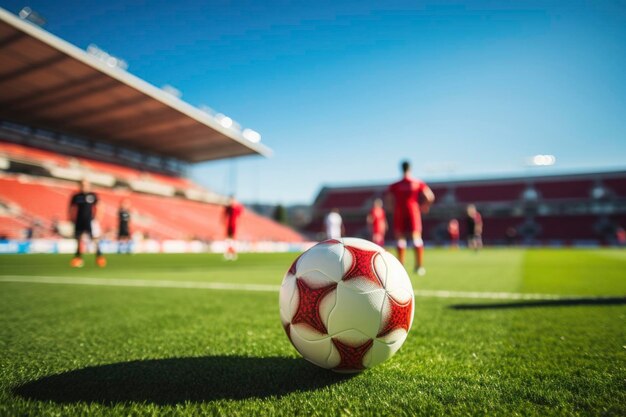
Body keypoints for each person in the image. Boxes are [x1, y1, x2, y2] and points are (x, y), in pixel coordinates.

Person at [387, 160, 435, 275]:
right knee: (416, 238)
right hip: (413, 210)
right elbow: (430, 196)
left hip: (399, 211)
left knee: (400, 238)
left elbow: (388, 200)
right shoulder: (417, 182)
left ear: (401, 168)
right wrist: (425, 207)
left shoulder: (395, 185)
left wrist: (392, 209)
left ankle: (401, 267)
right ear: (410, 168)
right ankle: (419, 267)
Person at [69, 179, 106, 267]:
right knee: (78, 239)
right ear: (80, 185)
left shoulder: (93, 195)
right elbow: (71, 208)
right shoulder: (76, 196)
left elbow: (100, 206)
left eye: (86, 184)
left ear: (89, 185)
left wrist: (98, 218)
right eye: (82, 184)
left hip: (90, 220)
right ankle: (78, 258)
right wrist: (71, 218)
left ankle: (99, 257)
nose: (84, 186)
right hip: (79, 221)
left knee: (94, 239)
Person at [223, 196, 243, 260]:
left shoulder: (237, 208)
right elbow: (225, 215)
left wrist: (236, 205)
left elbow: (239, 214)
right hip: (228, 226)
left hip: (233, 226)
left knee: (233, 241)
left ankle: (233, 253)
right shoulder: (228, 208)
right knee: (228, 241)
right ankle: (228, 253)